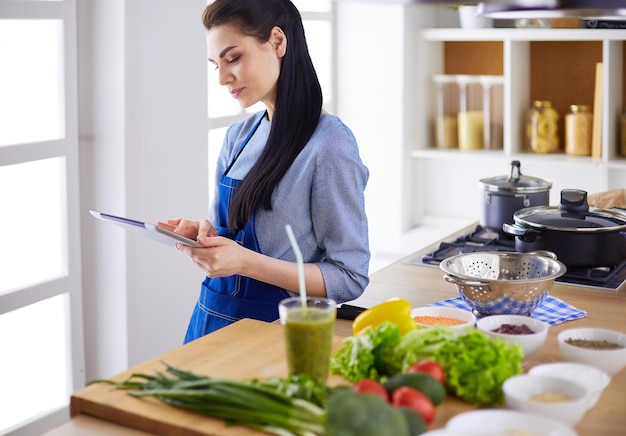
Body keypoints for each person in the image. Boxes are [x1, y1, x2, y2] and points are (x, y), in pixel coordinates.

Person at [159, 0, 370, 343]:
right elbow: (228, 241)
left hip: (277, 336)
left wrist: (244, 262)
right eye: (216, 65)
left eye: (234, 58)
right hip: (210, 321)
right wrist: (202, 235)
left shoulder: (330, 145)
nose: (223, 78)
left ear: (277, 41)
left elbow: (349, 278)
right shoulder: (238, 137)